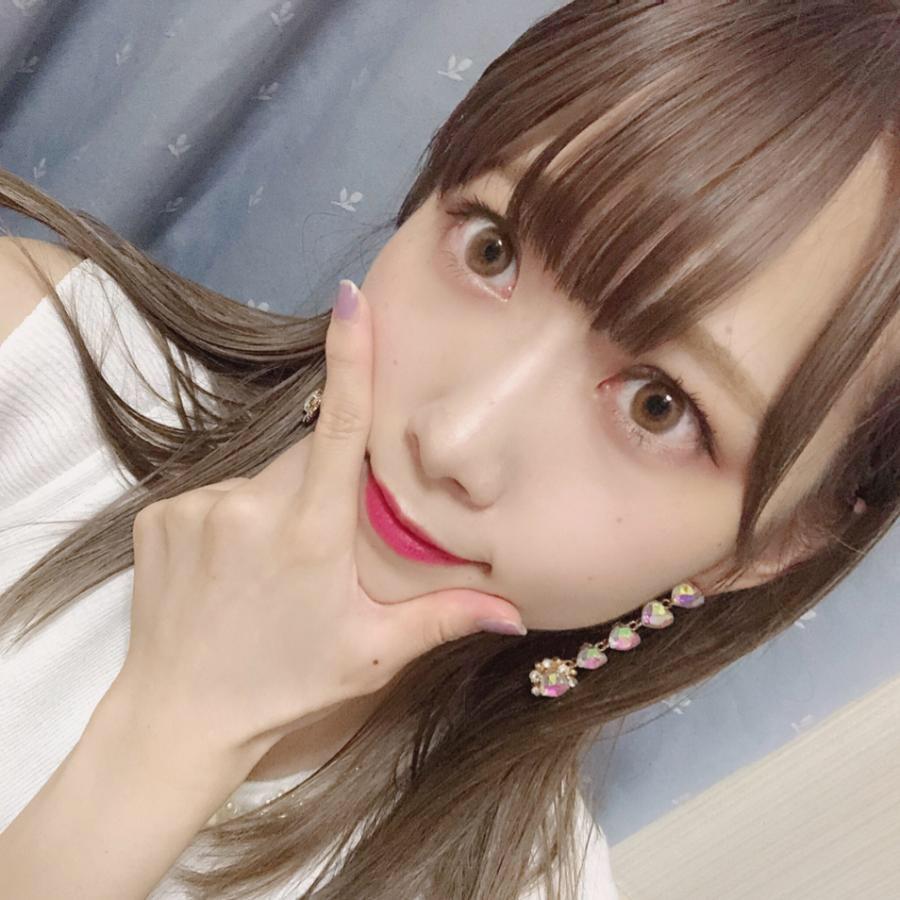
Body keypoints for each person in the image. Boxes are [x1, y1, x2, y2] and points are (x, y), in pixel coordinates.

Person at [0, 1, 898, 897]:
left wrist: (174, 733)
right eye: (492, 250)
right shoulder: (32, 360)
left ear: (772, 544)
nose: (453, 440)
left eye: (657, 407)